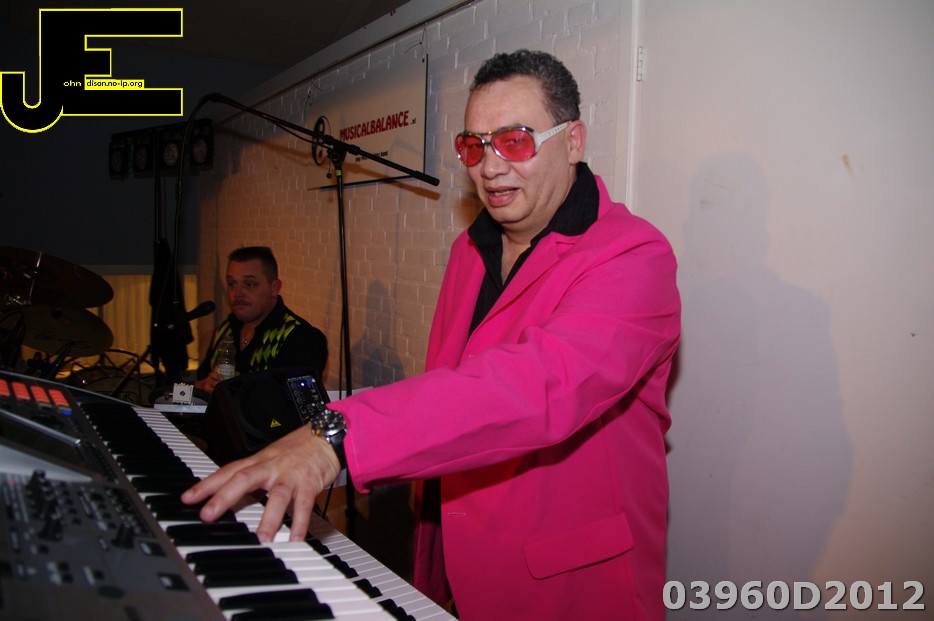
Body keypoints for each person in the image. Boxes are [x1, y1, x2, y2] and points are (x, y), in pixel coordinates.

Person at [183, 50, 680, 620]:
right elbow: (453, 389)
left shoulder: (634, 256)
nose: (489, 167)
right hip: (460, 571)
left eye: (514, 141)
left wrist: (338, 438)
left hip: (568, 588)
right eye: (474, 146)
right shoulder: (470, 251)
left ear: (572, 142)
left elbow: (539, 386)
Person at [194, 246, 328, 394]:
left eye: (249, 284)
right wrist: (206, 384)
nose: (237, 293)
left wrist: (240, 390)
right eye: (231, 283)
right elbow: (199, 382)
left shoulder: (301, 338)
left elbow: (295, 401)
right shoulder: (226, 329)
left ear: (274, 288)